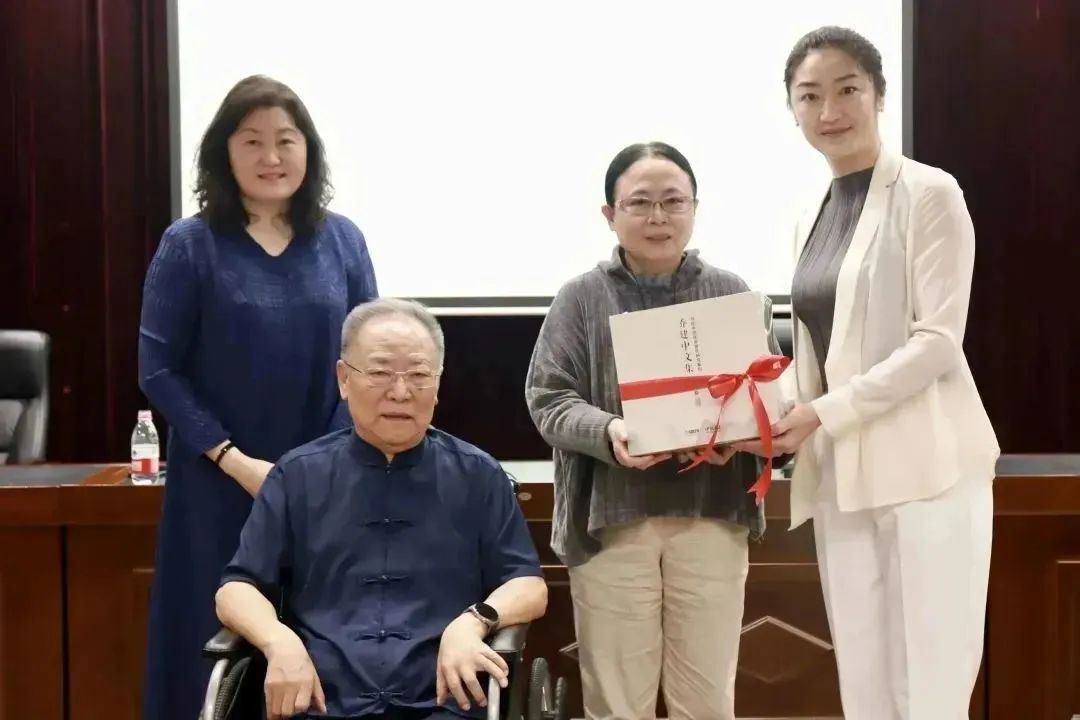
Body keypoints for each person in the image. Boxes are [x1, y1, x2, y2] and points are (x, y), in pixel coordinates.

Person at [733, 26, 1000, 719]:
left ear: (879, 94)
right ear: (792, 110)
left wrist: (820, 412)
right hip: (844, 474)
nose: (829, 111)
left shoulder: (930, 192)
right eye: (809, 96)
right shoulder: (809, 216)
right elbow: (817, 352)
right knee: (865, 685)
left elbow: (937, 342)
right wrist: (768, 417)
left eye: (847, 89)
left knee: (930, 686)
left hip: (929, 468)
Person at [138, 75, 378, 719]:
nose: (271, 157)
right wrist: (234, 460)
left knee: (320, 638)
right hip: (218, 484)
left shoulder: (343, 240)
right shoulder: (189, 244)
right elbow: (158, 369)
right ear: (224, 152)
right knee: (210, 644)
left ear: (309, 150)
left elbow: (367, 357)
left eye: (286, 140)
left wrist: (320, 463)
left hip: (325, 482)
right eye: (252, 141)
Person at [525, 142, 785, 720]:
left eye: (673, 201)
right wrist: (611, 430)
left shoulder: (731, 293)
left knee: (707, 701)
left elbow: (765, 397)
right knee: (618, 702)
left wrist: (735, 435)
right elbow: (548, 399)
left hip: (711, 512)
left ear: (695, 208)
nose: (658, 217)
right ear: (609, 214)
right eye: (639, 202)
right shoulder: (580, 297)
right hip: (614, 519)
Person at [216, 298, 547, 720]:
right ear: (344, 379)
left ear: (438, 384)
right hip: (320, 700)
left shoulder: (479, 475)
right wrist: (278, 642)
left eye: (419, 375)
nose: (400, 392)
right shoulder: (297, 475)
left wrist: (474, 621)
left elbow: (527, 584)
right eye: (379, 373)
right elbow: (236, 589)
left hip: (446, 702)